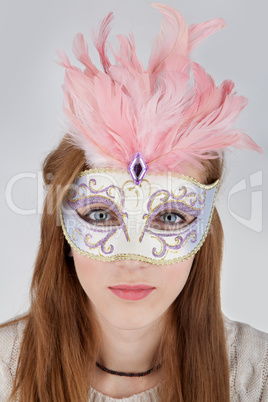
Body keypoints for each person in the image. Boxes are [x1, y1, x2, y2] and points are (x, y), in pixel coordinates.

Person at [0, 3, 267, 401]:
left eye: (172, 215)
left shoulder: (255, 375)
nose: (132, 259)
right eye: (101, 214)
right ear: (64, 233)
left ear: (204, 233)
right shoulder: (7, 372)